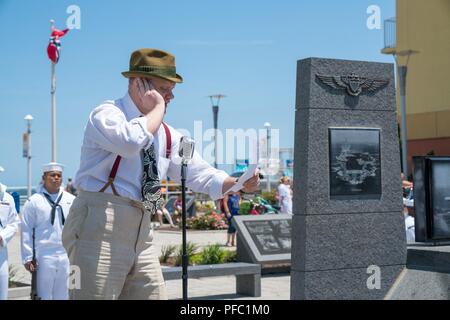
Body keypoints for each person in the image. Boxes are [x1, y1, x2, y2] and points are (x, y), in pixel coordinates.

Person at [62, 48, 260, 300]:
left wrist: (239, 183)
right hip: (99, 223)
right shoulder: (107, 114)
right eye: (165, 88)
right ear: (138, 83)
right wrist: (156, 109)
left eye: (172, 89)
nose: (171, 96)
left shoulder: (167, 134)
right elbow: (130, 142)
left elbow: (201, 174)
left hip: (142, 229)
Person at [20, 162, 75, 300]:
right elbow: (26, 229)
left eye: (59, 175)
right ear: (44, 178)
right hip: (43, 255)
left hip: (67, 254)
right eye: (52, 175)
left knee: (65, 294)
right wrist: (27, 257)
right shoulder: (34, 201)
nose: (56, 178)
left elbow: (77, 227)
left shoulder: (71, 200)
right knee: (43, 295)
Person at [0, 167, 20, 300]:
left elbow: (14, 223)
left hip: (1, 250)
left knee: (2, 290)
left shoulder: (7, 198)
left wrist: (2, 236)